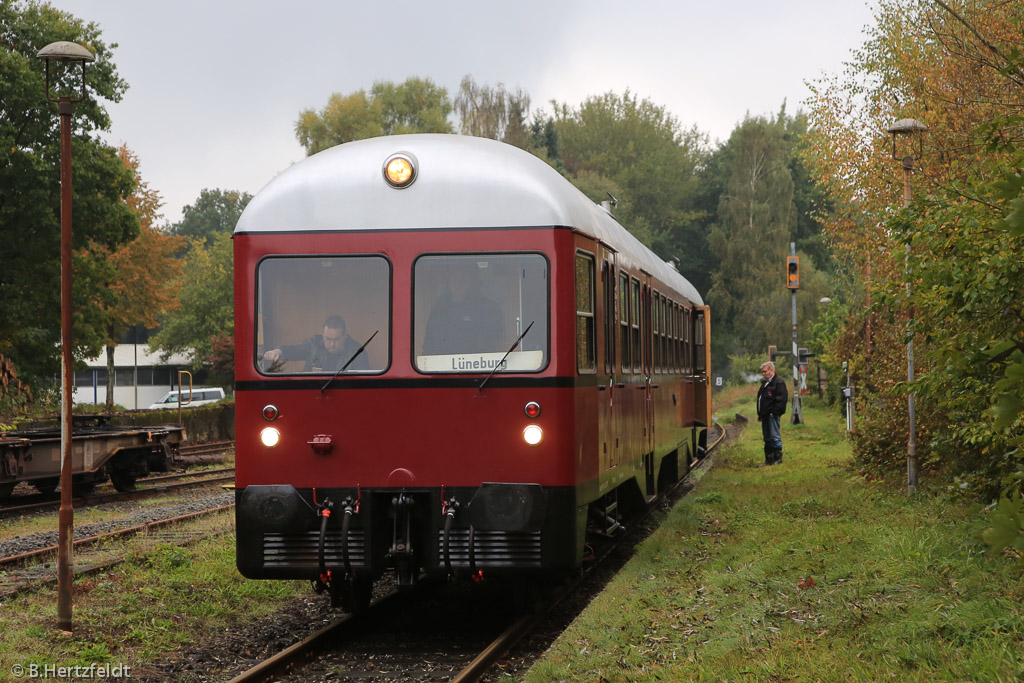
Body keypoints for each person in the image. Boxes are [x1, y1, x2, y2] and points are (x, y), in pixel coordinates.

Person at [422, 265, 504, 355]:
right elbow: (429, 341)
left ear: (472, 283)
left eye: (463, 279)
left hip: (479, 364)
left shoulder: (488, 308)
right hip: (443, 365)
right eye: (455, 278)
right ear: (448, 281)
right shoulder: (439, 308)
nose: (458, 283)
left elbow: (495, 341)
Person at [263, 315, 370, 372]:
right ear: (322, 335)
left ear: (345, 336)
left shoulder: (358, 352)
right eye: (327, 339)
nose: (332, 344)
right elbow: (295, 350)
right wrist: (278, 351)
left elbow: (362, 382)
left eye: (336, 340)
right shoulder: (314, 343)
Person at [756, 361, 788, 466]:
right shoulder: (765, 384)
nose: (763, 374)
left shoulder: (779, 383)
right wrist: (760, 414)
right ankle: (769, 460)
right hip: (764, 415)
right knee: (767, 437)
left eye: (765, 371)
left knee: (775, 436)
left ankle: (777, 459)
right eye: (762, 372)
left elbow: (782, 400)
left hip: (772, 415)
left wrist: (774, 412)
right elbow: (761, 399)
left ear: (772, 370)